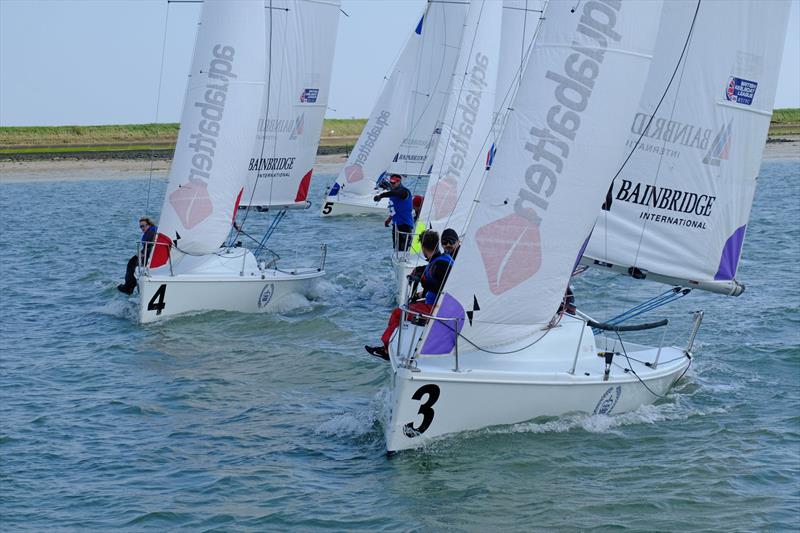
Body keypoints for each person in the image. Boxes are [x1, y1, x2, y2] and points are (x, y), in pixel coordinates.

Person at [365, 230, 454, 360]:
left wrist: (423, 281)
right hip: (435, 304)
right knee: (408, 306)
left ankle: (386, 350)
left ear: (423, 248)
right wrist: (420, 278)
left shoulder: (441, 264)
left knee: (398, 313)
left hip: (437, 308)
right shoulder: (441, 260)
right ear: (437, 244)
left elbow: (443, 287)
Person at [117, 217, 158, 295]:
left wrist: (143, 254)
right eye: (140, 226)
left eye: (144, 226)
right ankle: (130, 286)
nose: (142, 228)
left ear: (149, 225)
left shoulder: (152, 232)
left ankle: (128, 288)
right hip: (149, 253)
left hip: (149, 256)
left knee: (131, 264)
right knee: (132, 262)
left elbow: (151, 245)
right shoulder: (152, 230)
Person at [374, 174, 414, 252]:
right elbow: (395, 209)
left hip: (405, 225)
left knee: (404, 250)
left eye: (394, 183)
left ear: (399, 182)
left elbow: (396, 193)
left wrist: (381, 196)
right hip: (396, 225)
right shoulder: (393, 193)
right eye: (391, 183)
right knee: (396, 251)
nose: (392, 185)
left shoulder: (404, 192)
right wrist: (389, 219)